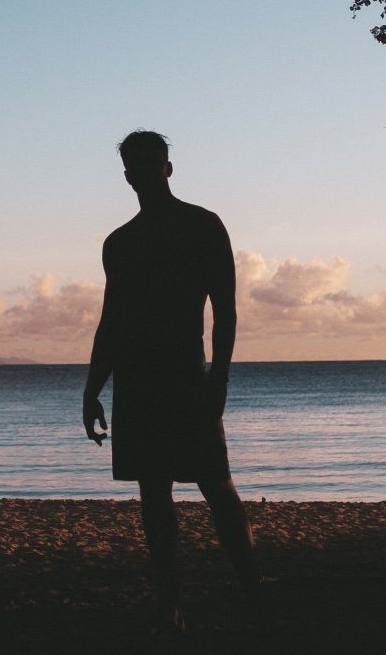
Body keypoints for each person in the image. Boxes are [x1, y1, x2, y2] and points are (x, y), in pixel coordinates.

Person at [82, 130, 260, 632]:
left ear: (167, 167)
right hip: (137, 379)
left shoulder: (202, 226)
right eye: (136, 166)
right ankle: (171, 605)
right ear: (127, 176)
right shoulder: (120, 243)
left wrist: (218, 379)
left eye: (152, 162)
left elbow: (225, 312)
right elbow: (111, 323)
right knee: (154, 493)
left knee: (217, 486)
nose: (144, 172)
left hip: (186, 372)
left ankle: (254, 597)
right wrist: (92, 389)